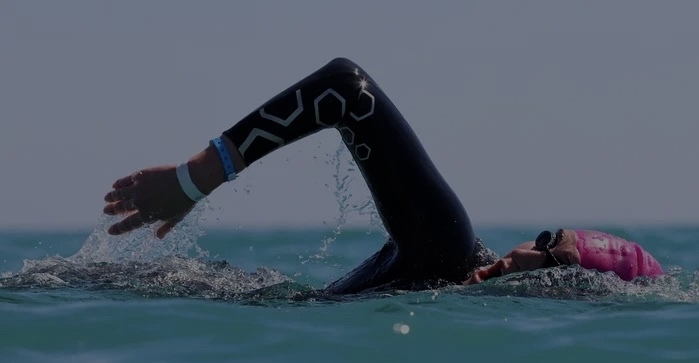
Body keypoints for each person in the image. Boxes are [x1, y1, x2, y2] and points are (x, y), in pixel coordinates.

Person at [104, 58, 663, 294]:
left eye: (555, 264)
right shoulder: (447, 246)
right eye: (545, 240)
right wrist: (195, 178)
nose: (527, 256)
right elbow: (346, 88)